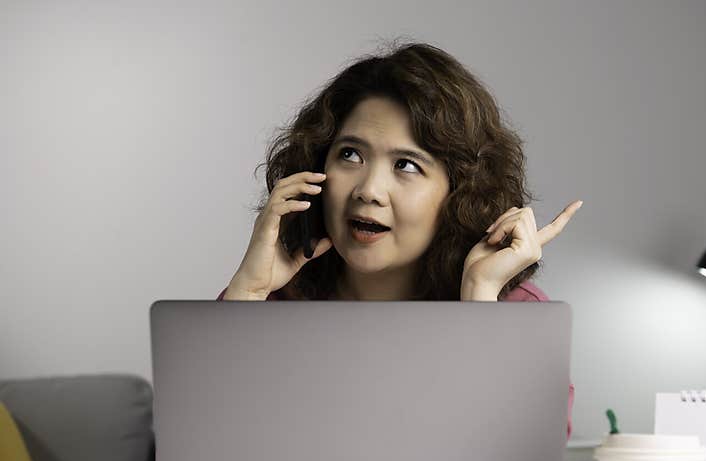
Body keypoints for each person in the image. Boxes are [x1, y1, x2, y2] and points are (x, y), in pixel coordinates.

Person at [218, 41, 578, 438]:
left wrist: (479, 304)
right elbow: (199, 449)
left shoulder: (514, 313)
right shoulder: (270, 298)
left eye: (406, 165)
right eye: (351, 155)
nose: (369, 190)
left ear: (460, 191)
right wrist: (248, 294)